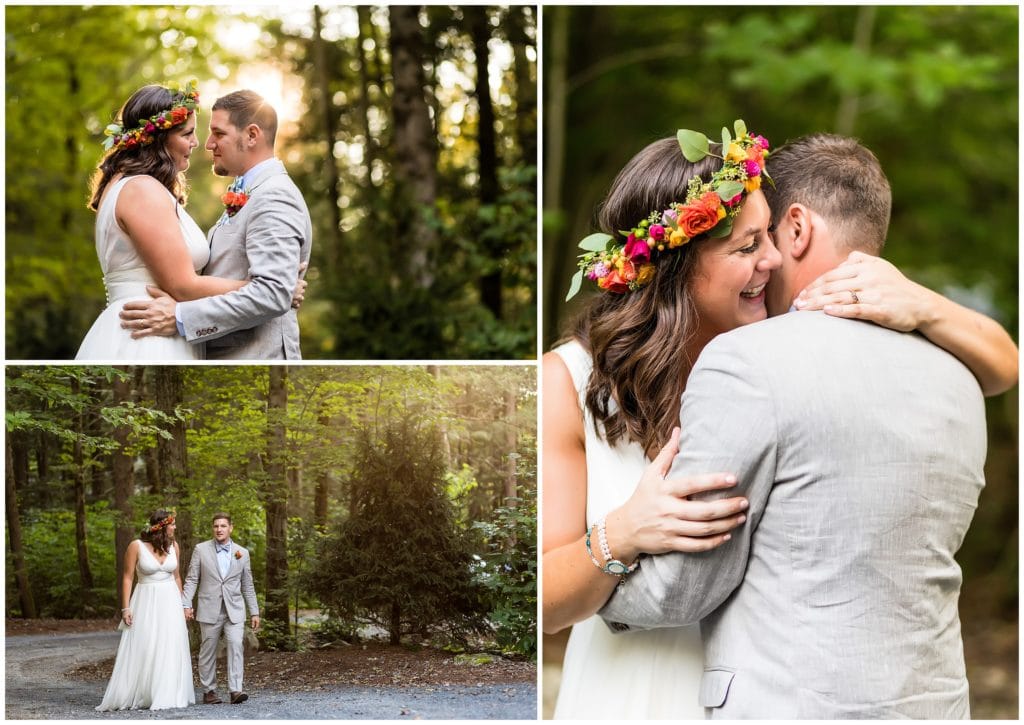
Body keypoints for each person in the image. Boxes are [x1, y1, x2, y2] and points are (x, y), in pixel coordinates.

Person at [543, 124, 1017, 719]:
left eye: (769, 235)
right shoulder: (568, 382)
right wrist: (621, 533)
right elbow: (538, 601)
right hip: (635, 692)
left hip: (762, 696)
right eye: (747, 246)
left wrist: (923, 301)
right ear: (675, 268)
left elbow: (1002, 364)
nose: (772, 257)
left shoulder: (773, 359)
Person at [118, 90, 313, 360]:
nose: (208, 144)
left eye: (219, 134)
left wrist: (179, 317)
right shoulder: (251, 191)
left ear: (252, 135)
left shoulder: (273, 196)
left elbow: (271, 294)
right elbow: (273, 289)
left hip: (255, 363)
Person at [76, 82, 248, 361]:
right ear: (158, 138)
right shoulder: (141, 189)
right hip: (146, 332)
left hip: (154, 323)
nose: (196, 143)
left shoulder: (128, 185)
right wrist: (268, 289)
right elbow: (183, 286)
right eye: (187, 134)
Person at [96, 510, 194, 711]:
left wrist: (184, 604)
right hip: (145, 600)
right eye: (172, 524)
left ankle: (166, 692)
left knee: (169, 643)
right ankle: (142, 692)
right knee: (146, 643)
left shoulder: (174, 546)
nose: (175, 528)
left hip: (170, 601)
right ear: (162, 526)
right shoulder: (136, 546)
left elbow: (176, 577)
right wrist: (125, 608)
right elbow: (127, 577)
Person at [182, 512, 260, 705]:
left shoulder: (242, 553)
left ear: (230, 528)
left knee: (236, 646)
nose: (219, 529)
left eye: (223, 526)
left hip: (234, 610)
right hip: (209, 609)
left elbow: (247, 585)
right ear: (213, 529)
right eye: (216, 526)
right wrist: (186, 603)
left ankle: (235, 690)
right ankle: (209, 691)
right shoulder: (201, 550)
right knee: (207, 650)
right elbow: (192, 579)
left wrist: (255, 611)